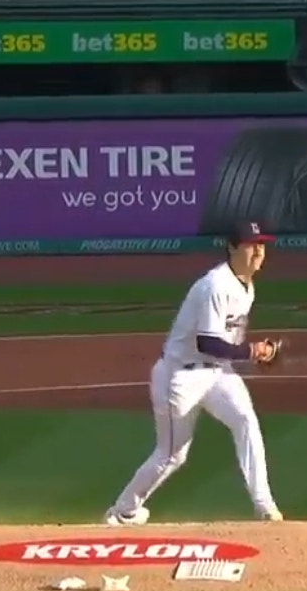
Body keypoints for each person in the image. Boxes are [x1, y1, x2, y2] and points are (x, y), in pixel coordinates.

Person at [104, 222, 285, 526]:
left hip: (217, 373)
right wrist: (252, 351)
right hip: (180, 377)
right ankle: (123, 510)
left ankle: (264, 505)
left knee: (246, 420)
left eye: (262, 245)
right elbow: (208, 343)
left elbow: (225, 344)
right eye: (251, 245)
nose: (258, 252)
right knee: (172, 456)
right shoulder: (215, 285)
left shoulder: (246, 287)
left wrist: (254, 353)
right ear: (232, 247)